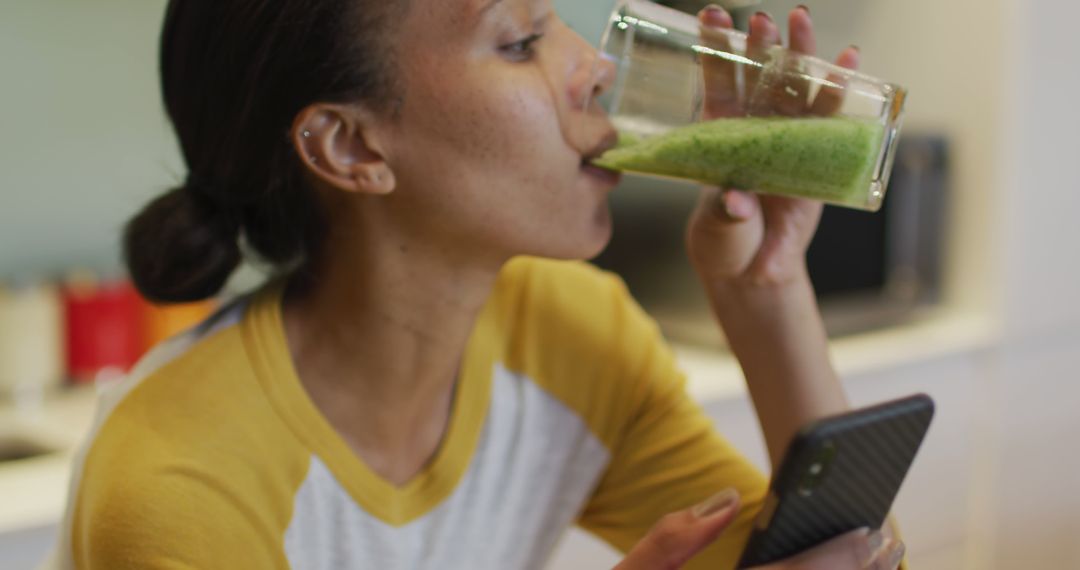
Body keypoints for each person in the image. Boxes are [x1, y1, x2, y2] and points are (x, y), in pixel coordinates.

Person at [44, 1, 905, 569]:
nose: (594, 67)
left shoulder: (570, 332)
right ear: (352, 149)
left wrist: (768, 293)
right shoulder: (181, 485)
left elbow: (841, 561)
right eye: (521, 42)